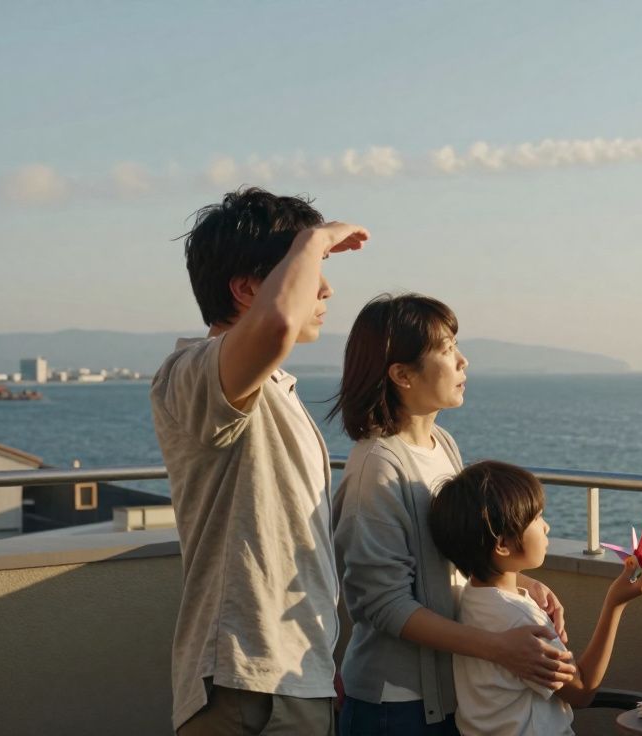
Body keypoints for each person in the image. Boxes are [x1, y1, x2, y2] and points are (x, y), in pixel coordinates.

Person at [150, 187, 369, 735]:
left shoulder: (273, 389)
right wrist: (316, 238)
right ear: (248, 288)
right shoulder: (193, 371)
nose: (325, 287)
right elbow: (274, 326)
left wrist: (320, 658)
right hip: (242, 679)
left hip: (295, 674)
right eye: (309, 267)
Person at [329, 293, 576, 736]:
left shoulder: (442, 445)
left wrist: (521, 583)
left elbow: (458, 554)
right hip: (395, 705)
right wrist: (499, 647)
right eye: (445, 350)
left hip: (446, 693)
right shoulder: (377, 468)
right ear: (402, 374)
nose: (463, 361)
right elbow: (382, 604)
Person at [429, 460, 642, 736]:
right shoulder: (520, 618)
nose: (546, 527)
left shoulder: (469, 601)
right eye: (536, 519)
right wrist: (614, 603)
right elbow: (581, 693)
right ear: (502, 544)